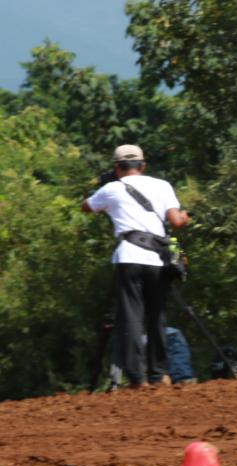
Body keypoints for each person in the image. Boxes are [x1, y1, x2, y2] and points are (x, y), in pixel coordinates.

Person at [82, 144, 189, 388]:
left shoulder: (111, 188)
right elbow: (176, 221)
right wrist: (186, 216)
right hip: (158, 259)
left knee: (131, 318)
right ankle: (159, 374)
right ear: (143, 165)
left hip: (129, 257)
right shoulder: (162, 185)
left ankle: (137, 378)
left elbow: (86, 207)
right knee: (157, 317)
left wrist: (106, 187)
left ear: (116, 167)